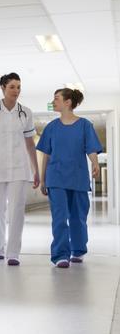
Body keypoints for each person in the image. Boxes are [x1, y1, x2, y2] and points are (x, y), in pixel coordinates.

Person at [0, 73, 40, 266]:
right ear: (3, 88)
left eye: (19, 87)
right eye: (12, 87)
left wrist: (35, 169)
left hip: (20, 168)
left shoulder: (26, 112)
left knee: (17, 210)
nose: (16, 91)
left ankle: (13, 252)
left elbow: (30, 144)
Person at [37, 88, 102, 268]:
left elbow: (91, 148)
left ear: (68, 102)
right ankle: (60, 255)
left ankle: (78, 250)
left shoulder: (84, 125)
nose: (53, 101)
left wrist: (95, 163)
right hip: (56, 178)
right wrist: (43, 179)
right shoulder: (51, 127)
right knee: (59, 217)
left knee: (78, 217)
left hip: (78, 178)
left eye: (56, 98)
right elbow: (46, 156)